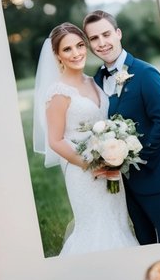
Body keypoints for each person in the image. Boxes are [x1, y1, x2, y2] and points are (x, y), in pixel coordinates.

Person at [32, 22, 138, 255]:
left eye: (80, 45)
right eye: (67, 49)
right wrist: (93, 165)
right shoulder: (58, 93)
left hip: (111, 165)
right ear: (57, 55)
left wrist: (114, 155)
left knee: (116, 223)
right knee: (95, 227)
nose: (76, 53)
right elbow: (56, 140)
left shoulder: (93, 81)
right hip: (83, 172)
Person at [82, 10, 160, 245]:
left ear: (118, 34)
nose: (102, 43)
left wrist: (132, 160)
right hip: (121, 184)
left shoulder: (145, 73)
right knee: (143, 241)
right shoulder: (97, 79)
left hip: (153, 176)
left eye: (106, 34)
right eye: (94, 38)